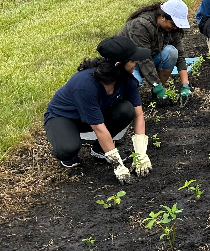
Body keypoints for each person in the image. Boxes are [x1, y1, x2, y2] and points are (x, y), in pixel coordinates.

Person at [44, 36, 153, 183]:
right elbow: (99, 128)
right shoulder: (85, 85)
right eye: (133, 61)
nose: (137, 63)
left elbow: (138, 114)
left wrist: (140, 153)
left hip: (94, 115)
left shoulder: (126, 79)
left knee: (126, 110)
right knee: (67, 149)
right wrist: (118, 166)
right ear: (118, 64)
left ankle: (99, 149)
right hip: (64, 117)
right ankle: (68, 143)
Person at [118, 0, 191, 107]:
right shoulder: (141, 25)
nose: (175, 27)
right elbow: (144, 60)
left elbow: (180, 55)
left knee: (171, 53)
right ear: (162, 16)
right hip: (126, 63)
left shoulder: (171, 29)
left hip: (147, 59)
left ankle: (156, 92)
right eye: (172, 24)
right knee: (135, 82)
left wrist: (185, 85)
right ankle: (121, 104)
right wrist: (159, 89)